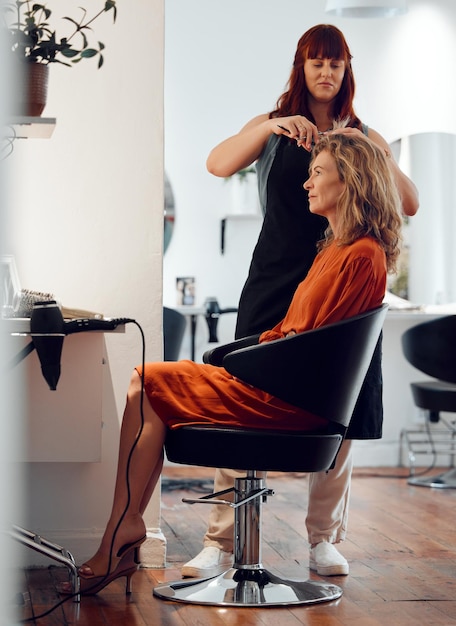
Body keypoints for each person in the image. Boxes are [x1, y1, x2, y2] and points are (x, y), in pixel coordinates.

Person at [61, 133, 402, 595]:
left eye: (317, 173)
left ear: (350, 181)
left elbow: (312, 349)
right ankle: (124, 529)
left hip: (289, 400)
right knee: (150, 386)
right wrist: (242, 355)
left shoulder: (360, 255)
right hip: (285, 387)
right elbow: (300, 336)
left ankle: (120, 533)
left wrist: (245, 360)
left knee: (148, 381)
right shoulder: (337, 249)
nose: (306, 183)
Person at [182, 24, 419, 580]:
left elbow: (409, 203)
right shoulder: (273, 125)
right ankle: (221, 540)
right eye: (316, 62)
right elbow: (217, 164)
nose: (326, 72)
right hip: (274, 278)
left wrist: (373, 150)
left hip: (343, 279)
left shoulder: (362, 132)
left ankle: (323, 539)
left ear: (346, 70)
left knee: (343, 401)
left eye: (335, 63)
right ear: (301, 66)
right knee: (238, 392)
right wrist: (269, 126)